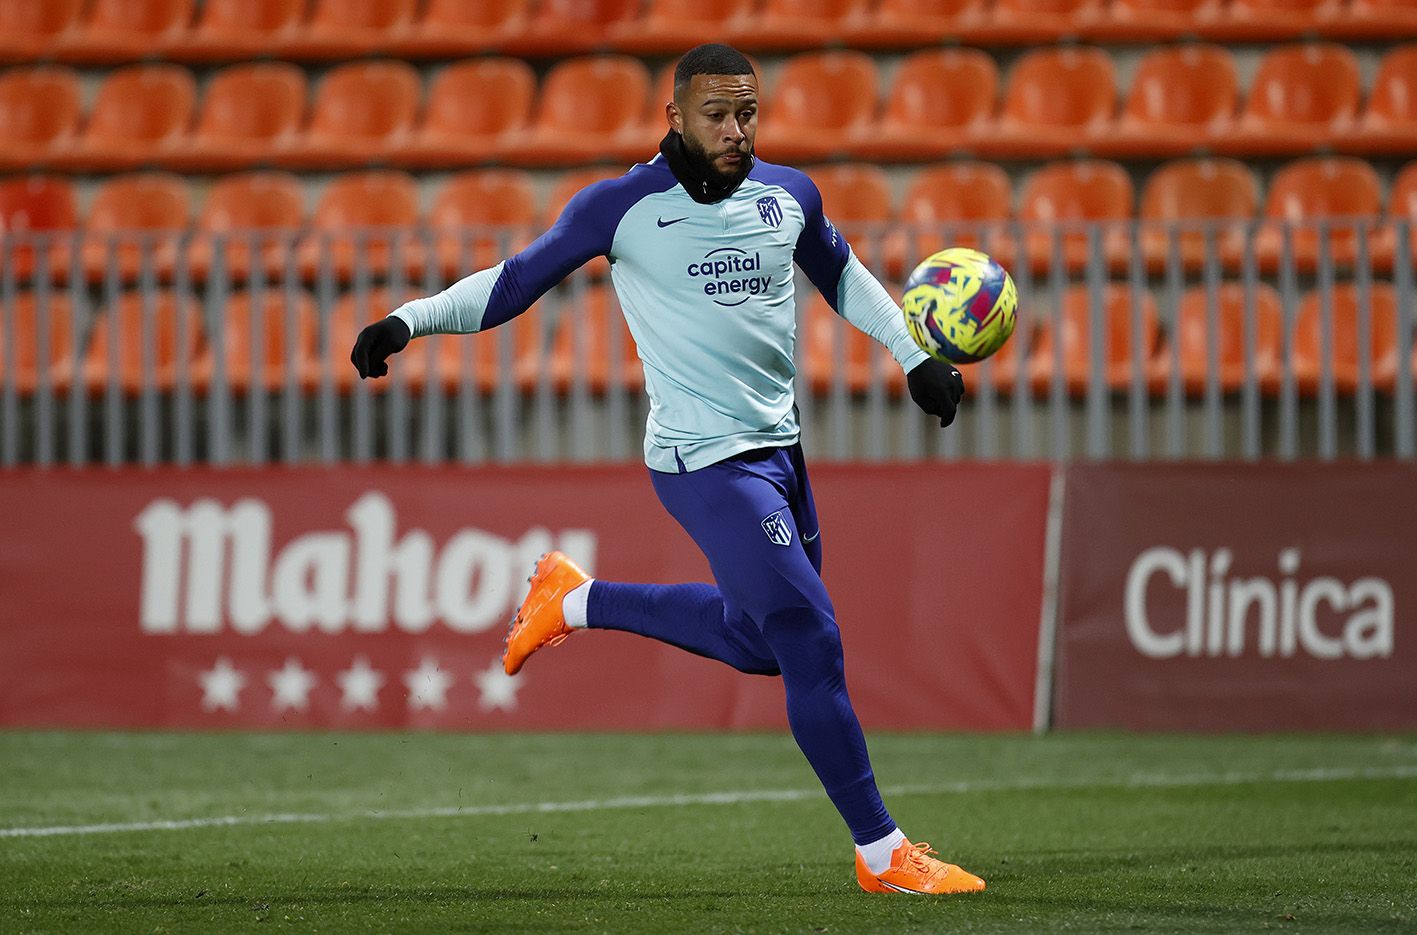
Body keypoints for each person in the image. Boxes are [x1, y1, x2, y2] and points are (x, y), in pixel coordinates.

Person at [351, 43, 983, 896]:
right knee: (810, 636)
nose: (736, 131)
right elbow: (510, 283)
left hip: (779, 451)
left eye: (747, 113)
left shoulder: (789, 195)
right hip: (701, 460)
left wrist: (913, 357)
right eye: (717, 115)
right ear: (675, 117)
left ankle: (574, 598)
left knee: (762, 644)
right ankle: (882, 853)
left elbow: (844, 277)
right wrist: (405, 321)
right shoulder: (622, 208)